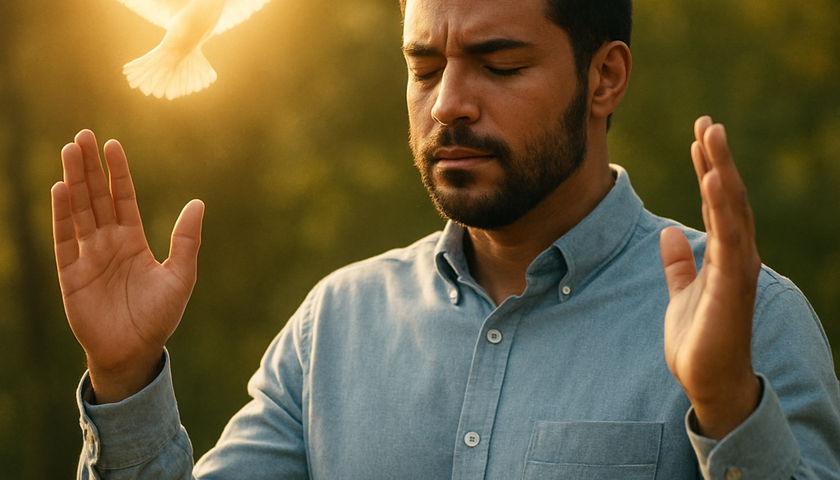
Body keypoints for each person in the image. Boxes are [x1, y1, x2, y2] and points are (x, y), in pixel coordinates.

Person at [52, 0, 840, 477]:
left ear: (605, 79)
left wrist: (729, 405)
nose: (449, 105)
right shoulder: (334, 329)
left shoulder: (748, 322)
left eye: (498, 65)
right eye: (424, 68)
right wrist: (124, 379)